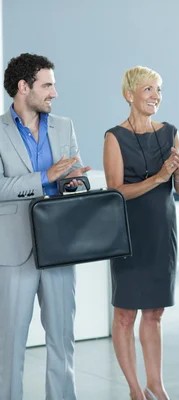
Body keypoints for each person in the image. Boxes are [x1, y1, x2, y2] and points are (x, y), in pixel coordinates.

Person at [0, 53, 91, 400]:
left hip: (60, 247)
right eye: (47, 85)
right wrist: (43, 178)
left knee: (62, 343)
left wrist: (74, 181)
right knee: (9, 347)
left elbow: (74, 173)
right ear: (24, 87)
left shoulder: (63, 126)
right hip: (14, 251)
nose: (54, 93)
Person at [103, 66, 179, 400]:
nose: (156, 96)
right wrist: (158, 176)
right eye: (148, 90)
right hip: (128, 234)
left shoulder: (170, 132)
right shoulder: (114, 136)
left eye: (159, 90)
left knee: (155, 313)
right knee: (125, 313)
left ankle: (156, 384)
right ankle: (135, 389)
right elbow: (116, 191)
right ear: (130, 95)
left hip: (161, 231)